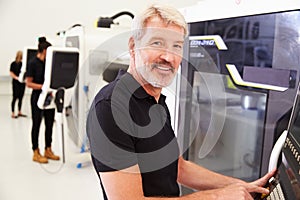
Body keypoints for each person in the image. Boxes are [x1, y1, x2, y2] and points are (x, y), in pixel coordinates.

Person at [86, 4, 276, 200]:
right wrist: (218, 196)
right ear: (133, 46)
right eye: (157, 43)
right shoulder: (110, 108)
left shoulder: (156, 101)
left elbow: (179, 168)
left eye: (176, 46)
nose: (168, 57)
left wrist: (241, 186)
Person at [26, 37, 60, 164]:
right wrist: (42, 87)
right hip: (37, 97)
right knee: (36, 124)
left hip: (49, 97)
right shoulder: (32, 63)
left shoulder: (48, 63)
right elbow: (28, 83)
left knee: (50, 123)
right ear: (44, 50)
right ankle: (36, 151)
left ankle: (48, 149)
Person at [9, 50, 26, 118]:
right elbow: (11, 73)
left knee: (21, 98)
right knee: (15, 97)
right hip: (16, 83)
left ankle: (19, 111)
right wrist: (16, 78)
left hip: (22, 83)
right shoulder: (13, 64)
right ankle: (13, 113)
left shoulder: (23, 64)